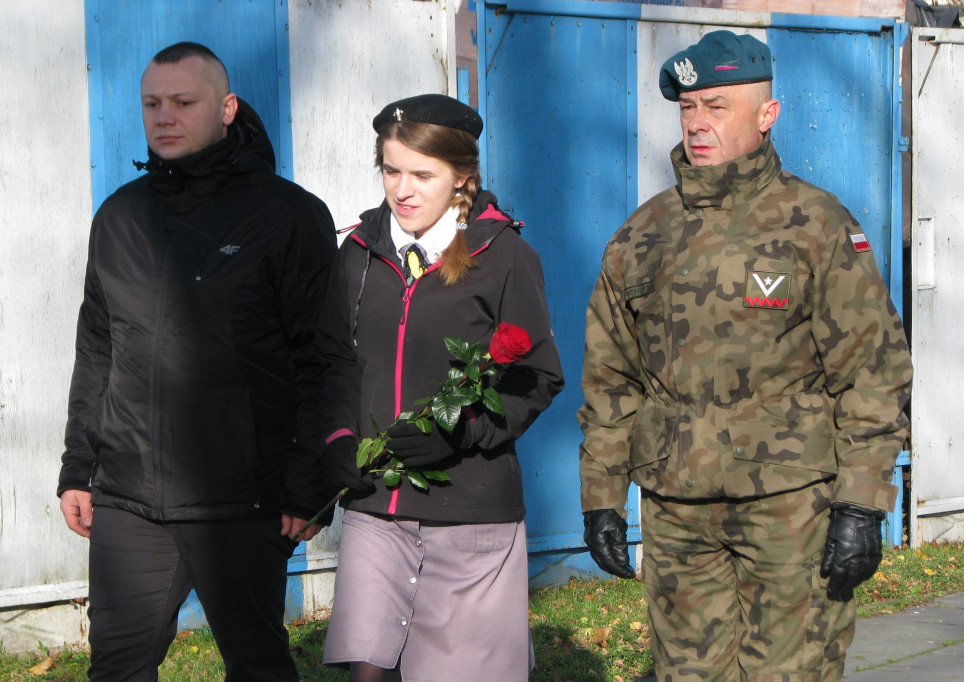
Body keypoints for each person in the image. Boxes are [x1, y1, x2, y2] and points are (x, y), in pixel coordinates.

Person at [577, 30, 913, 681]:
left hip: (790, 508)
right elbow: (611, 381)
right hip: (678, 508)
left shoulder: (814, 225)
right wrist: (601, 499)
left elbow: (872, 371)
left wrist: (861, 504)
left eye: (718, 106)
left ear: (767, 114)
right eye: (688, 108)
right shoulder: (643, 236)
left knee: (791, 673)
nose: (698, 125)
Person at [56, 42, 337, 681]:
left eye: (184, 102)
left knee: (259, 665)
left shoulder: (289, 215)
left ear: (227, 107)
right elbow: (97, 347)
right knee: (117, 668)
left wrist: (310, 482)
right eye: (153, 104)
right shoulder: (121, 215)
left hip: (241, 496)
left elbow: (321, 359)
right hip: (129, 495)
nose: (165, 117)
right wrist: (79, 466)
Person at [316, 93, 564, 682]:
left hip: (470, 507)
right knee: (368, 672)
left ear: (462, 178)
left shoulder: (504, 256)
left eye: (423, 174)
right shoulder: (356, 255)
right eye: (391, 169)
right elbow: (330, 364)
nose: (403, 189)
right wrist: (338, 440)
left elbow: (538, 375)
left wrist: (463, 427)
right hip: (376, 500)